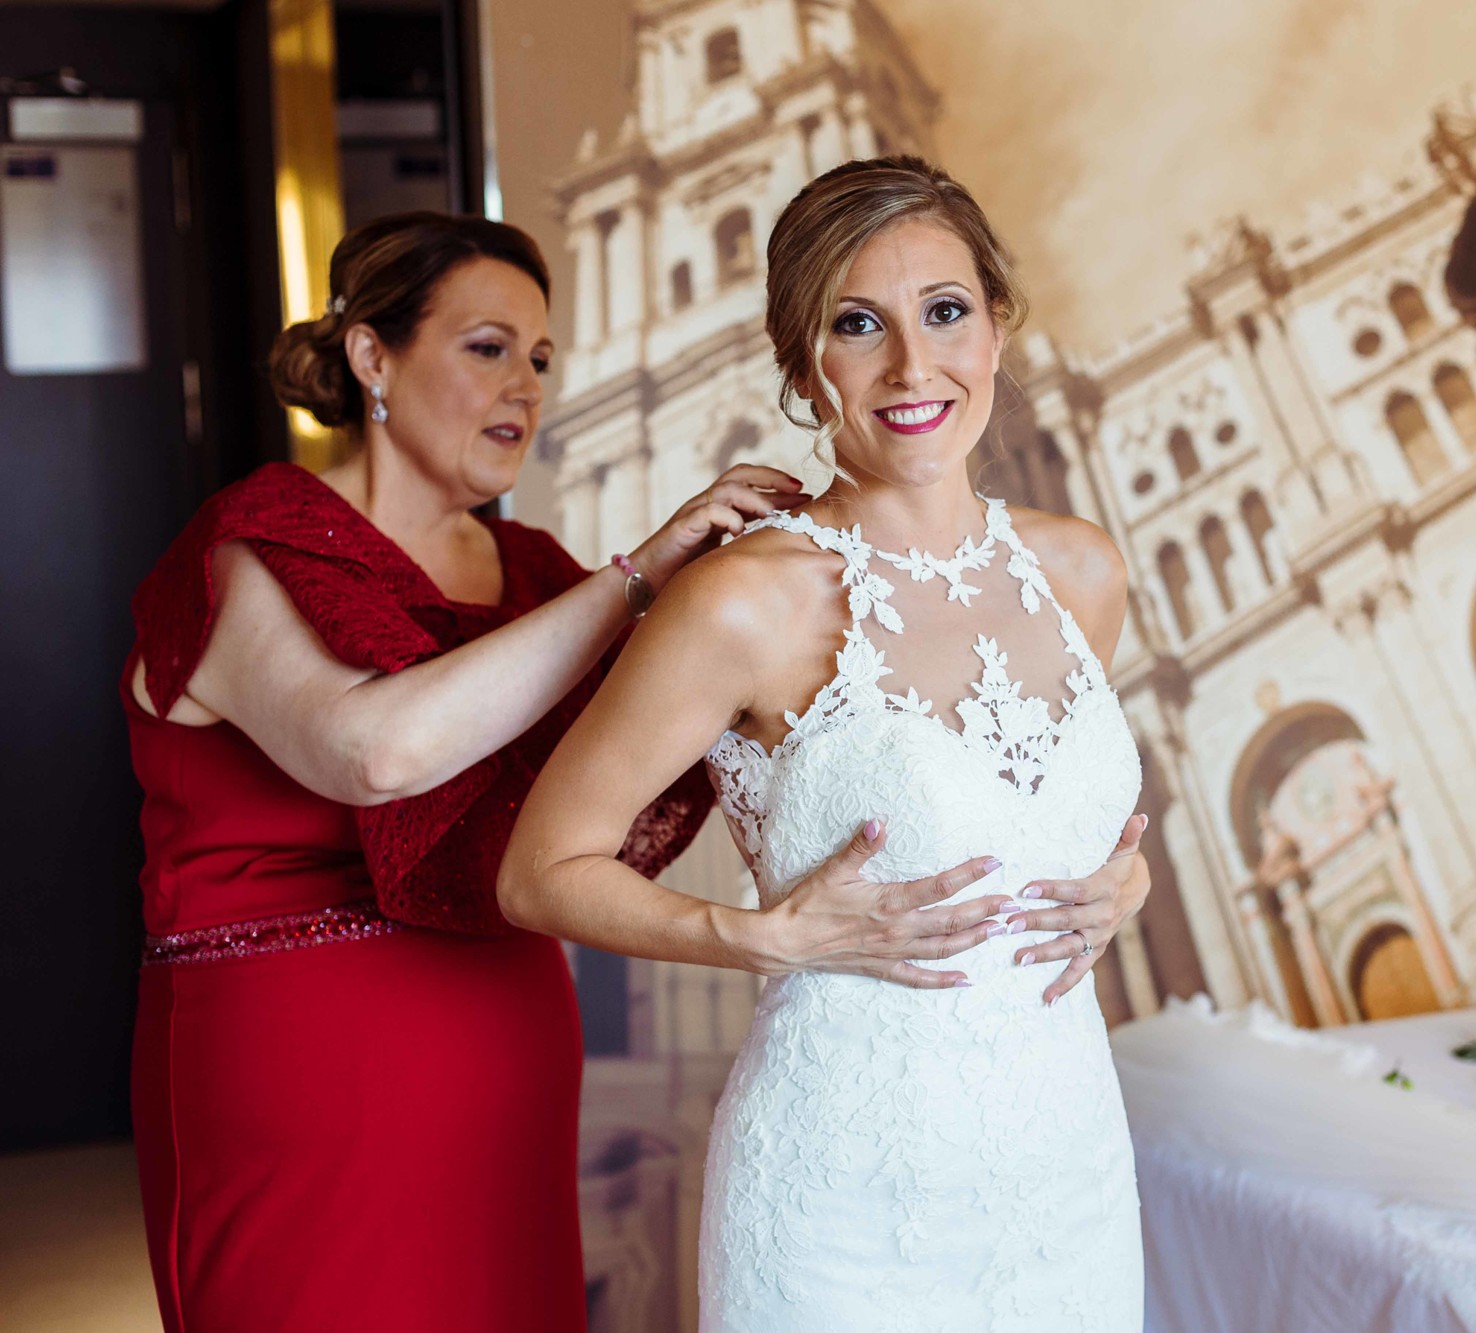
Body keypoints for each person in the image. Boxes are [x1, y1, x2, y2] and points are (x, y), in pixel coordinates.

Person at [124, 211, 969, 1331]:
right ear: (372, 357)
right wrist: (637, 577)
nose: (522, 385)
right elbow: (377, 751)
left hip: (506, 1044)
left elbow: (677, 759)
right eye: (486, 347)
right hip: (296, 1064)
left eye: (538, 358)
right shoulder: (248, 544)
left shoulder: (529, 571)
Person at [500, 157, 1152, 1330]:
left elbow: (1046, 822)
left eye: (944, 312)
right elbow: (537, 867)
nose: (912, 366)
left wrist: (1123, 878)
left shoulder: (1082, 572)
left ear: (995, 329)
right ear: (806, 367)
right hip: (840, 1206)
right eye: (859, 325)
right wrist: (751, 936)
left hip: (1067, 1177)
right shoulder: (744, 603)